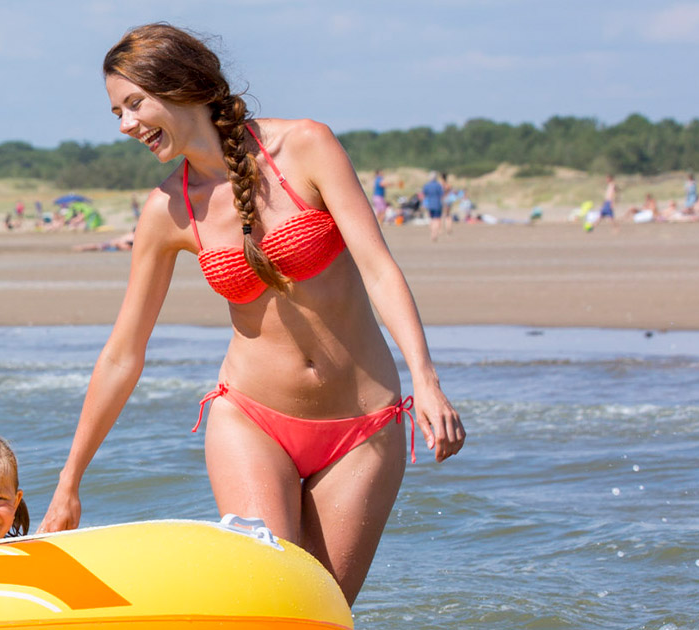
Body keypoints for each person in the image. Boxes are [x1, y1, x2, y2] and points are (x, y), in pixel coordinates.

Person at [39, 23, 464, 606]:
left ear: (183, 84)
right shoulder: (168, 209)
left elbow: (378, 266)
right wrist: (70, 482)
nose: (125, 125)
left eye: (134, 104)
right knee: (273, 602)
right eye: (116, 111)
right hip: (252, 421)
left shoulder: (306, 146)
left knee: (322, 609)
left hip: (363, 425)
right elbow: (123, 352)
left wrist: (427, 379)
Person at [421, 172, 445, 241]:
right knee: (437, 219)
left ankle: (432, 232)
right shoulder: (438, 185)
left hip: (430, 204)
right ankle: (434, 234)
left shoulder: (427, 185)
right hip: (437, 204)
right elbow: (442, 195)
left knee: (431, 218)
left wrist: (423, 204)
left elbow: (423, 195)